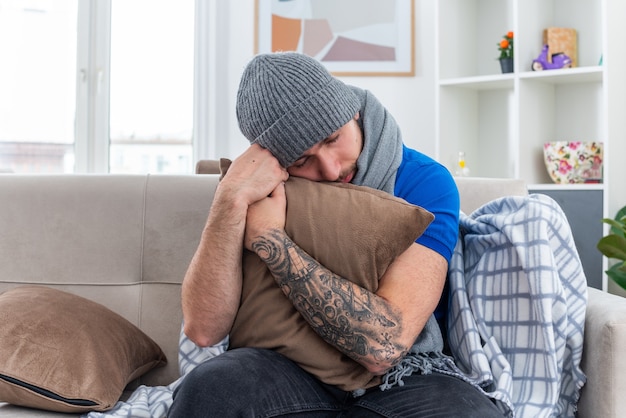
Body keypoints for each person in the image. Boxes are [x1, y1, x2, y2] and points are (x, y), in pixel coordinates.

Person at [169, 52, 504, 417]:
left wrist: (271, 238)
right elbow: (203, 332)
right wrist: (230, 200)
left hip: (403, 376)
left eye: (333, 138)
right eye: (301, 161)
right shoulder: (258, 191)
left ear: (353, 111)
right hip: (284, 370)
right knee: (209, 388)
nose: (329, 169)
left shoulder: (423, 181)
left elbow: (385, 346)